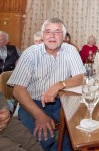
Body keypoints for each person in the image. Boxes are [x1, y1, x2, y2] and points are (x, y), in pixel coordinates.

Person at [7, 18, 85, 151]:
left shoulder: (71, 50)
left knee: (78, 134)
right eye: (48, 32)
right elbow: (18, 90)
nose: (52, 36)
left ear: (64, 36)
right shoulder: (30, 53)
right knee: (44, 139)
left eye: (57, 32)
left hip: (63, 102)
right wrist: (39, 115)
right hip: (33, 103)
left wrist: (59, 85)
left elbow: (81, 77)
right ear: (43, 35)